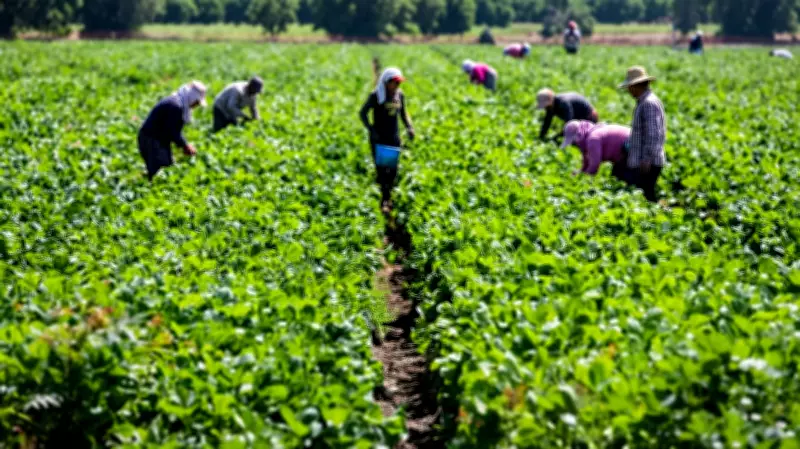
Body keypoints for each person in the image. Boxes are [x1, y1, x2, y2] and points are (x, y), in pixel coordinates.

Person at [359, 68, 415, 210]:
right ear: (386, 82)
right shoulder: (376, 95)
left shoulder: (399, 95)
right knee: (382, 170)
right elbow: (363, 113)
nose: (397, 86)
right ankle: (384, 200)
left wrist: (409, 127)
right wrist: (371, 129)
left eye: (399, 83)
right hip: (379, 138)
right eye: (394, 83)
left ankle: (388, 195)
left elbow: (403, 113)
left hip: (393, 137)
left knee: (393, 169)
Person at [138, 81, 207, 181]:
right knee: (160, 173)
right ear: (192, 97)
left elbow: (172, 131)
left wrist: (184, 145)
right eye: (197, 102)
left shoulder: (179, 102)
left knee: (166, 169)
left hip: (158, 139)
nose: (196, 105)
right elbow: (172, 132)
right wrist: (185, 145)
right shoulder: (176, 106)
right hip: (151, 139)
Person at [618, 66, 666, 202]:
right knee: (645, 195)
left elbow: (653, 134)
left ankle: (656, 219)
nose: (628, 90)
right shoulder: (644, 102)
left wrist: (646, 159)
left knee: (646, 196)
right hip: (643, 159)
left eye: (629, 87)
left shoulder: (648, 104)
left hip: (648, 161)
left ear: (636, 86)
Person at [561, 120, 631, 180]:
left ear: (578, 136)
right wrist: (580, 173)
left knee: (624, 178)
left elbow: (594, 165)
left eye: (573, 142)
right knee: (616, 176)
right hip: (627, 148)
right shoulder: (588, 135)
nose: (575, 145)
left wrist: (582, 179)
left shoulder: (593, 139)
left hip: (632, 146)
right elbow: (587, 163)